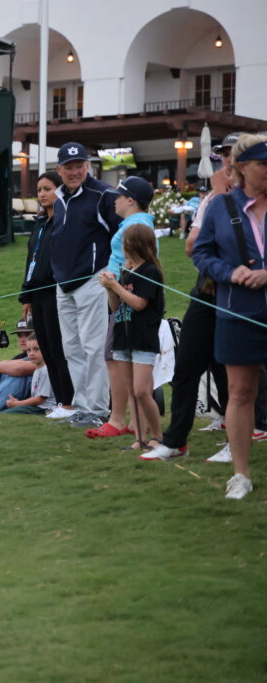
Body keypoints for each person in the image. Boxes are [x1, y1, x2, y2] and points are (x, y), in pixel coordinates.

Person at [143, 134, 243, 463]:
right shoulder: (214, 199)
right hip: (207, 290)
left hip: (240, 295)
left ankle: (236, 441)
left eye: (232, 157)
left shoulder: (249, 201)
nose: (226, 164)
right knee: (186, 367)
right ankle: (175, 441)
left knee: (233, 372)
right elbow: (193, 247)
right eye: (224, 157)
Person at [191, 132, 267, 499]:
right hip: (237, 311)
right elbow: (201, 253)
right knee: (239, 391)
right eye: (263, 165)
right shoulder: (221, 206)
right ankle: (240, 474)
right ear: (242, 167)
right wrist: (228, 272)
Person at [49, 141, 122, 429]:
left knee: (93, 347)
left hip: (93, 278)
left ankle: (98, 409)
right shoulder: (59, 198)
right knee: (73, 348)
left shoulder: (102, 194)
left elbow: (120, 235)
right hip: (64, 283)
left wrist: (112, 273)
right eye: (68, 167)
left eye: (79, 165)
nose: (74, 171)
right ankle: (82, 406)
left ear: (87, 166)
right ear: (59, 169)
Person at [88, 176, 156, 439]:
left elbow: (140, 266)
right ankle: (135, 422)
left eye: (119, 196)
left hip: (127, 299)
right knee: (122, 359)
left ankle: (117, 419)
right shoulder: (134, 224)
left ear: (130, 200)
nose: (114, 200)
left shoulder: (136, 225)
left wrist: (113, 286)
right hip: (120, 295)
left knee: (116, 359)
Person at [99, 224, 165, 452]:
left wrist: (115, 285)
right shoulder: (128, 272)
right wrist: (110, 289)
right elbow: (116, 307)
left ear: (134, 244)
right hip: (122, 337)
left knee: (141, 390)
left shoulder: (150, 272)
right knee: (131, 392)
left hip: (142, 338)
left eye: (125, 242)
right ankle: (140, 438)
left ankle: (157, 435)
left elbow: (139, 303)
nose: (123, 248)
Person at [20, 171, 75, 418]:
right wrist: (27, 295)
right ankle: (60, 401)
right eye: (39, 190)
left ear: (59, 190)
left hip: (57, 292)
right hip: (38, 293)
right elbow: (31, 259)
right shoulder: (40, 224)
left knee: (58, 348)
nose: (42, 194)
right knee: (47, 349)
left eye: (47, 188)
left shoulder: (65, 221)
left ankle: (69, 401)